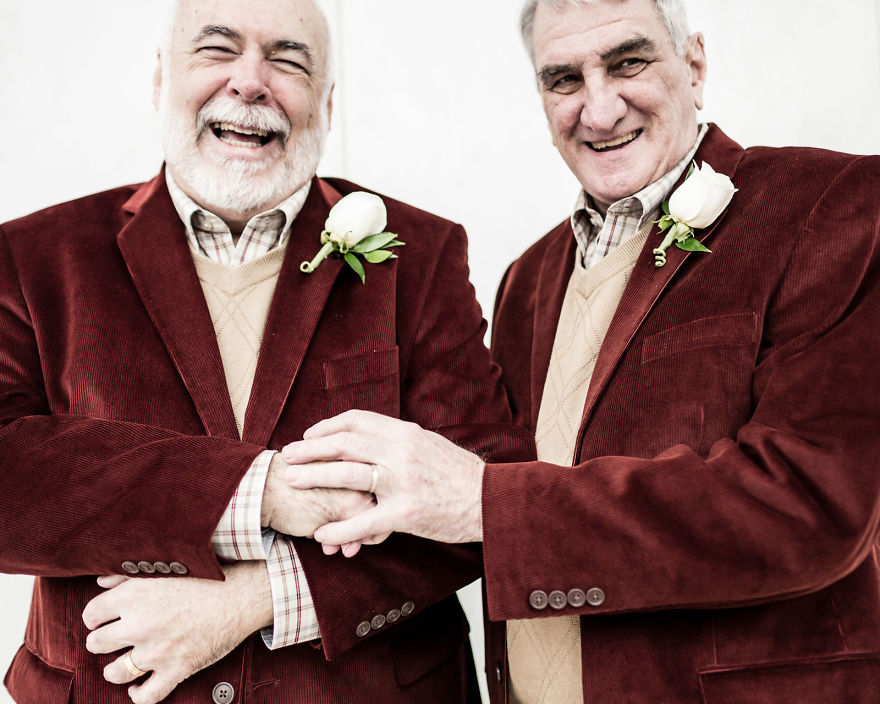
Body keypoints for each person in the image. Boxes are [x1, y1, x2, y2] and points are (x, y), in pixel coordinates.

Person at [281, 0, 880, 702]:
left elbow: (811, 507)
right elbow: (458, 509)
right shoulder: (527, 280)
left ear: (694, 65)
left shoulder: (831, 202)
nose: (599, 109)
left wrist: (482, 503)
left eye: (628, 62)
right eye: (564, 79)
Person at [0, 0, 531, 702]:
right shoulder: (32, 256)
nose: (251, 82)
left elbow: (487, 494)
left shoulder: (422, 254)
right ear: (162, 78)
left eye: (288, 59)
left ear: (329, 103)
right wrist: (262, 493)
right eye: (217, 50)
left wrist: (265, 598)